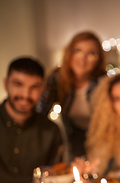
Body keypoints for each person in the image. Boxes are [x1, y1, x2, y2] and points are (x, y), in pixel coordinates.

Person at [0, 57, 63, 183]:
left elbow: (54, 175)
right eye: (18, 84)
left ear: (42, 89)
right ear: (5, 84)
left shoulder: (51, 131)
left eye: (34, 87)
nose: (25, 94)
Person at [37, 31, 106, 161]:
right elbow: (40, 114)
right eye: (78, 51)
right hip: (74, 136)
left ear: (98, 59)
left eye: (91, 54)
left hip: (103, 136)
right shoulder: (56, 80)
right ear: (69, 53)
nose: (83, 59)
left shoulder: (104, 81)